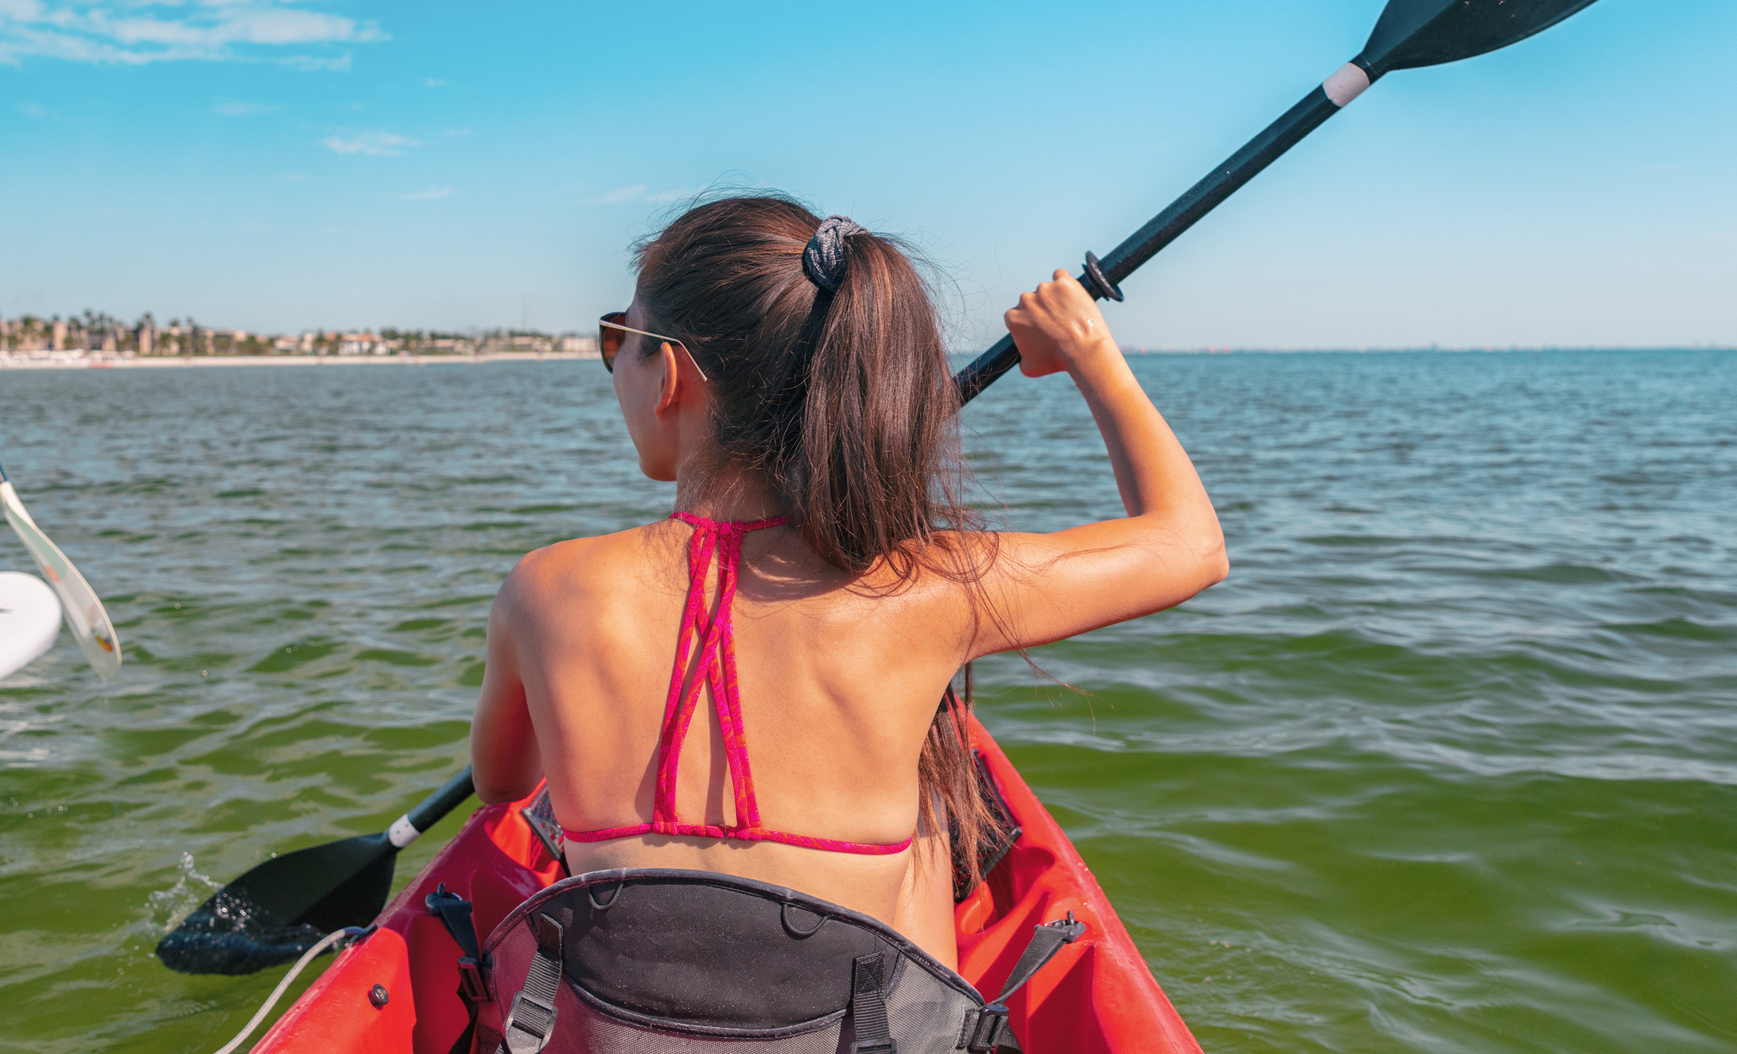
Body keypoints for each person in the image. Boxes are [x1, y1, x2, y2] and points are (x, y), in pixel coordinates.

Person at [468, 194, 1224, 1006]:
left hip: (628, 1026)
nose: (613, 358)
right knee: (934, 795)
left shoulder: (543, 590)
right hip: (850, 1024)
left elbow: (504, 783)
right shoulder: (927, 589)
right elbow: (1191, 545)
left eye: (622, 337)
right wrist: (1086, 349)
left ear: (672, 377)